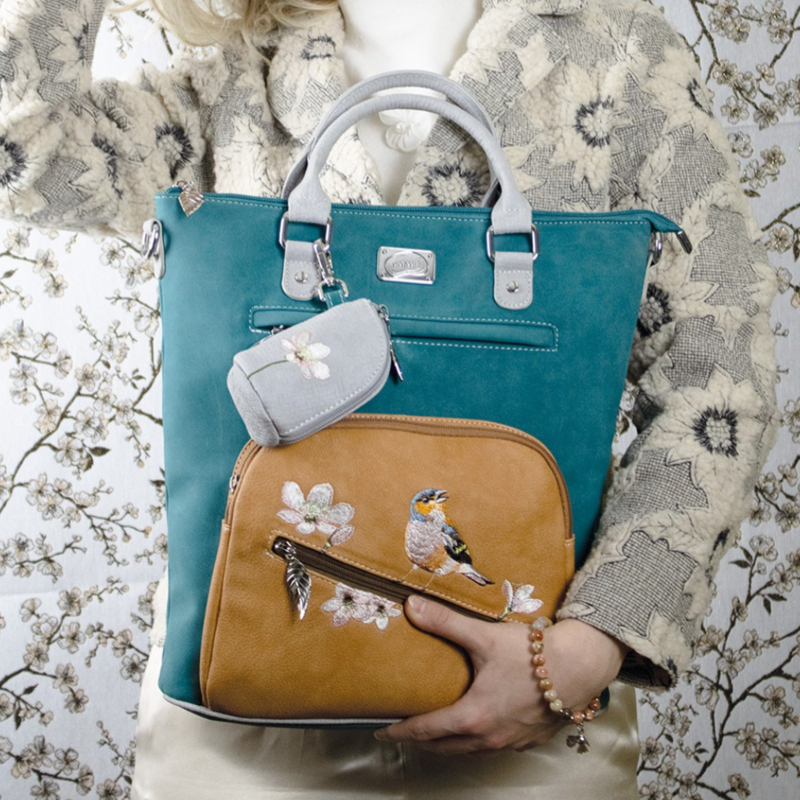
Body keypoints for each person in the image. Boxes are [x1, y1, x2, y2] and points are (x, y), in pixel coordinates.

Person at [0, 0, 777, 797]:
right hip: (243, 722)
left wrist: (587, 648)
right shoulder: (233, 73)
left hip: (534, 725)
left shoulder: (621, 55)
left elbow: (720, 378)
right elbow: (21, 150)